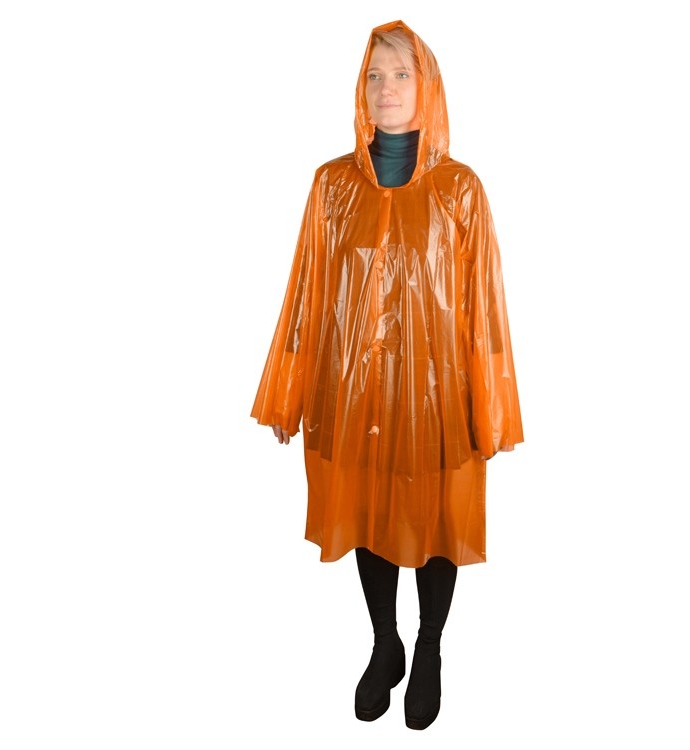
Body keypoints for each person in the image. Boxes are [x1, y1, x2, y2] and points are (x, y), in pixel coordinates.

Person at [251, 19, 523, 730]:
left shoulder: (461, 190)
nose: (386, 87)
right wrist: (287, 391)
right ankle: (386, 644)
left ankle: (429, 647)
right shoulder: (331, 186)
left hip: (439, 398)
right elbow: (307, 292)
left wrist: (492, 407)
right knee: (368, 515)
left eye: (401, 73)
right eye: (374, 74)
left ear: (426, 86)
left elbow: (485, 306)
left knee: (435, 521)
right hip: (355, 393)